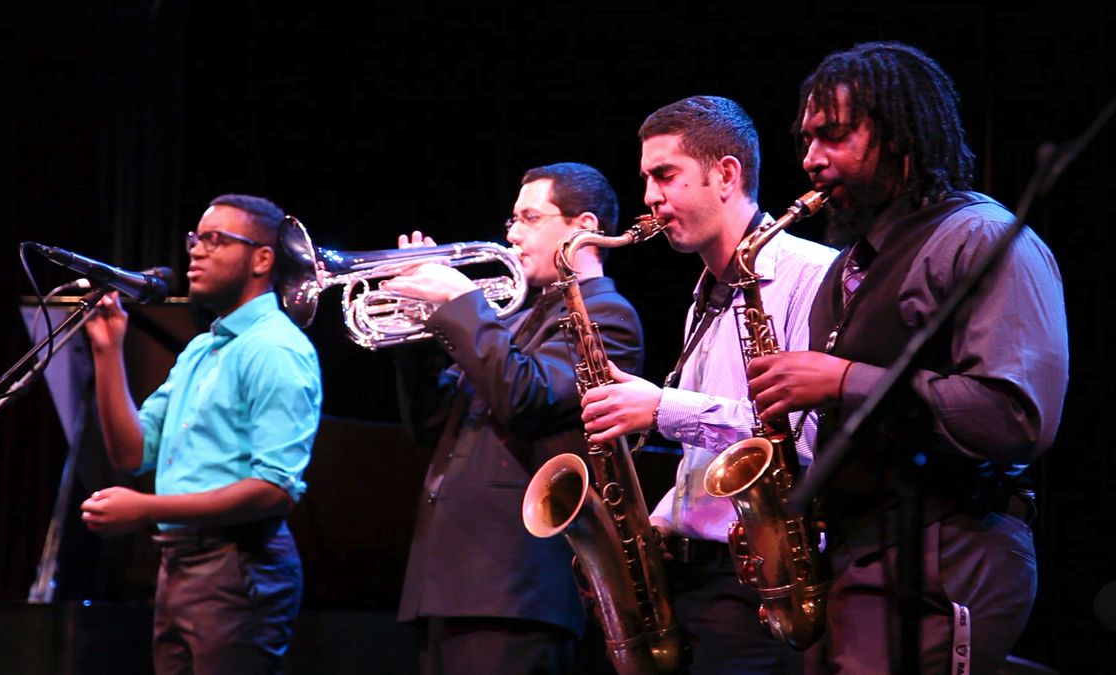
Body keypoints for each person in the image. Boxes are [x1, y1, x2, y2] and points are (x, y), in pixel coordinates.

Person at [745, 41, 1068, 673]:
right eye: (807, 140)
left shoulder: (981, 237)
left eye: (834, 136)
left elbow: (1017, 420)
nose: (810, 159)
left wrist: (842, 380)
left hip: (947, 553)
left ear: (901, 134)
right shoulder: (847, 269)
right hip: (856, 556)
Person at [580, 95, 837, 674]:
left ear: (725, 174)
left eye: (665, 175)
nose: (649, 197)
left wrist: (663, 407)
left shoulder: (814, 274)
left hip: (763, 584)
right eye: (646, 178)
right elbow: (708, 449)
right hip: (695, 577)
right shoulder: (703, 296)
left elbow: (804, 436)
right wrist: (664, 520)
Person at [380, 162, 645, 675]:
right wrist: (418, 334)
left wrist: (461, 302)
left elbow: (528, 396)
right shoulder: (512, 318)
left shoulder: (608, 316)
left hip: (515, 586)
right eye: (512, 220)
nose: (512, 234)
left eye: (529, 218)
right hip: (450, 582)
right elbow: (432, 425)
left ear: (584, 227)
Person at [79, 194, 323, 674]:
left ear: (262, 259)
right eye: (195, 239)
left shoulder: (275, 349)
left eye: (215, 240)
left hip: (238, 565)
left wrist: (145, 508)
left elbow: (275, 490)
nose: (195, 251)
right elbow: (132, 453)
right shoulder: (201, 349)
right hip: (181, 564)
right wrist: (108, 352)